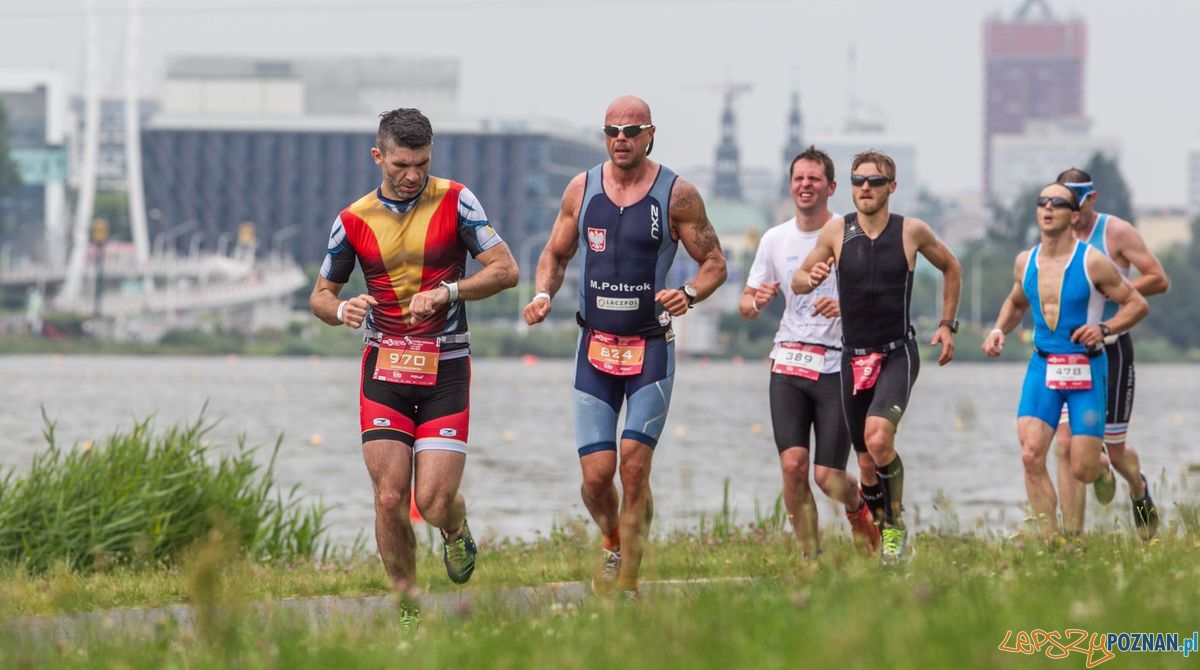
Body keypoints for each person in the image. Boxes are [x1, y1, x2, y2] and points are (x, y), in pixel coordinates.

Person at [310, 108, 519, 601]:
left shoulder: (457, 201)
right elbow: (320, 294)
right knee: (389, 498)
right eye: (401, 165)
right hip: (384, 368)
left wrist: (449, 293)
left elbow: (506, 269)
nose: (412, 176)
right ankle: (407, 602)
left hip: (446, 367)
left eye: (422, 164)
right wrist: (342, 310)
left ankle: (455, 526)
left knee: (433, 500)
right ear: (378, 156)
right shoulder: (353, 219)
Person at [523, 96, 727, 599]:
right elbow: (554, 251)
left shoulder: (677, 195)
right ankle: (615, 542)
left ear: (650, 134)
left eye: (632, 130)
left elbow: (715, 261)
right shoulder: (581, 189)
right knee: (597, 478)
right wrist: (543, 293)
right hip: (594, 347)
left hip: (650, 347)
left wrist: (690, 293)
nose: (621, 138)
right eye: (613, 130)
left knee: (634, 465)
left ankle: (629, 582)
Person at [791, 150, 961, 564]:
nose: (865, 188)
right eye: (858, 181)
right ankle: (880, 539)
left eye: (875, 181)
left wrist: (946, 324)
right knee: (866, 466)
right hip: (852, 359)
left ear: (892, 188)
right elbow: (798, 281)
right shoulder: (835, 232)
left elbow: (951, 267)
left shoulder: (911, 231)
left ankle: (895, 527)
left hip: (896, 354)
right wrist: (809, 277)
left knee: (879, 437)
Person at [982, 182, 1149, 539]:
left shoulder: (1093, 261)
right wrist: (999, 330)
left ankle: (1101, 468)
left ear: (1073, 216)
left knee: (1082, 468)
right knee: (1031, 455)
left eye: (1057, 203)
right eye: (1041, 201)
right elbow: (1015, 302)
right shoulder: (1025, 261)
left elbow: (1137, 304)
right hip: (1043, 366)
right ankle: (1055, 545)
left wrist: (1104, 328)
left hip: (1087, 369)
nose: (1047, 208)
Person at [738, 146, 880, 557]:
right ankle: (809, 558)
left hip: (835, 364)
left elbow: (880, 300)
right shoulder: (774, 239)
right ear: (790, 185)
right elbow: (745, 305)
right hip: (787, 361)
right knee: (792, 466)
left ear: (831, 187)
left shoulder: (852, 233)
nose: (805, 185)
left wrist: (846, 307)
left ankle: (860, 512)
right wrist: (756, 302)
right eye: (799, 178)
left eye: (814, 178)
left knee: (827, 475)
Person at [1052, 168, 1170, 540]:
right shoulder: (1057, 235)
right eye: (1063, 203)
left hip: (1112, 349)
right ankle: (1073, 540)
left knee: (1117, 453)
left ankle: (1138, 489)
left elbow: (1158, 278)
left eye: (1077, 203)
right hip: (1070, 355)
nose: (1071, 212)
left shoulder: (1115, 232)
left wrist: (1111, 288)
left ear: (1092, 199)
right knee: (1067, 443)